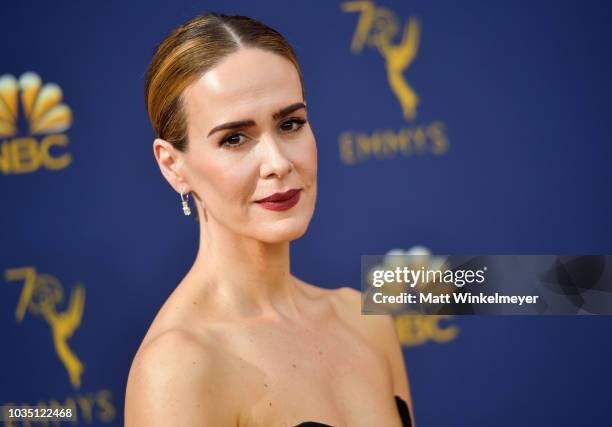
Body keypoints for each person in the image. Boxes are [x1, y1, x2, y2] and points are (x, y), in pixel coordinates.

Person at [124, 12, 415, 427]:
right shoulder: (178, 368)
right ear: (173, 166)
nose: (277, 163)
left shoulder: (365, 320)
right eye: (235, 139)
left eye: (290, 124)